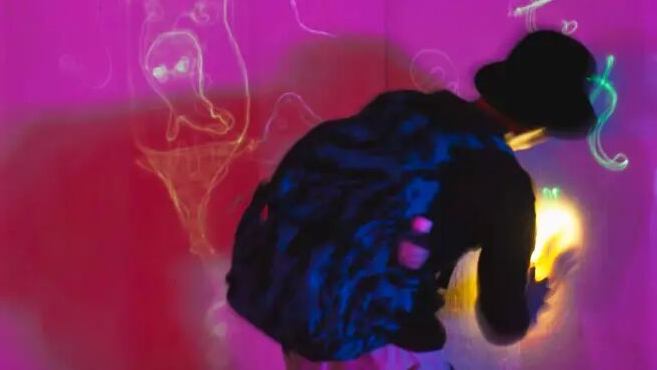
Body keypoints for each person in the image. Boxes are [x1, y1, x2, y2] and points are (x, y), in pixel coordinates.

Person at [226, 30, 599, 369]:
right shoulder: (506, 188)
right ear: (537, 126)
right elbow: (502, 320)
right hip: (377, 340)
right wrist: (529, 303)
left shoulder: (401, 108)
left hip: (297, 309)